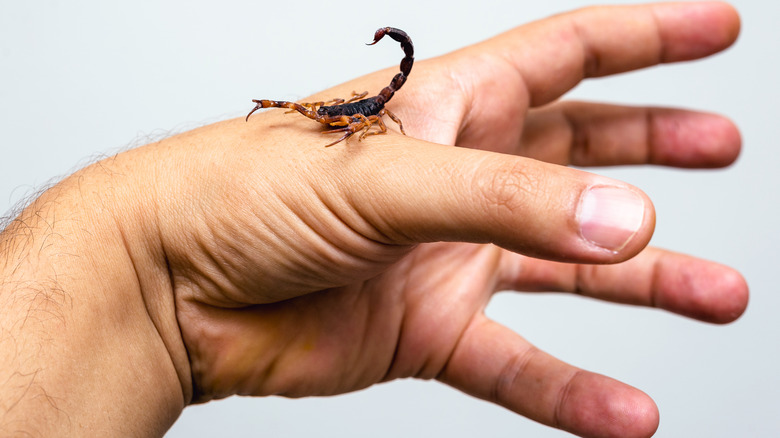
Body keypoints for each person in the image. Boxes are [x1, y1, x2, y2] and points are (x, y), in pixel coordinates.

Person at [0, 2, 748, 437]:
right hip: (339, 125)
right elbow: (311, 118)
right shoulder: (314, 118)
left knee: (332, 116)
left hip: (363, 112)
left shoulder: (369, 114)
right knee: (304, 111)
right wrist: (152, 281)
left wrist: (153, 289)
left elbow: (375, 113)